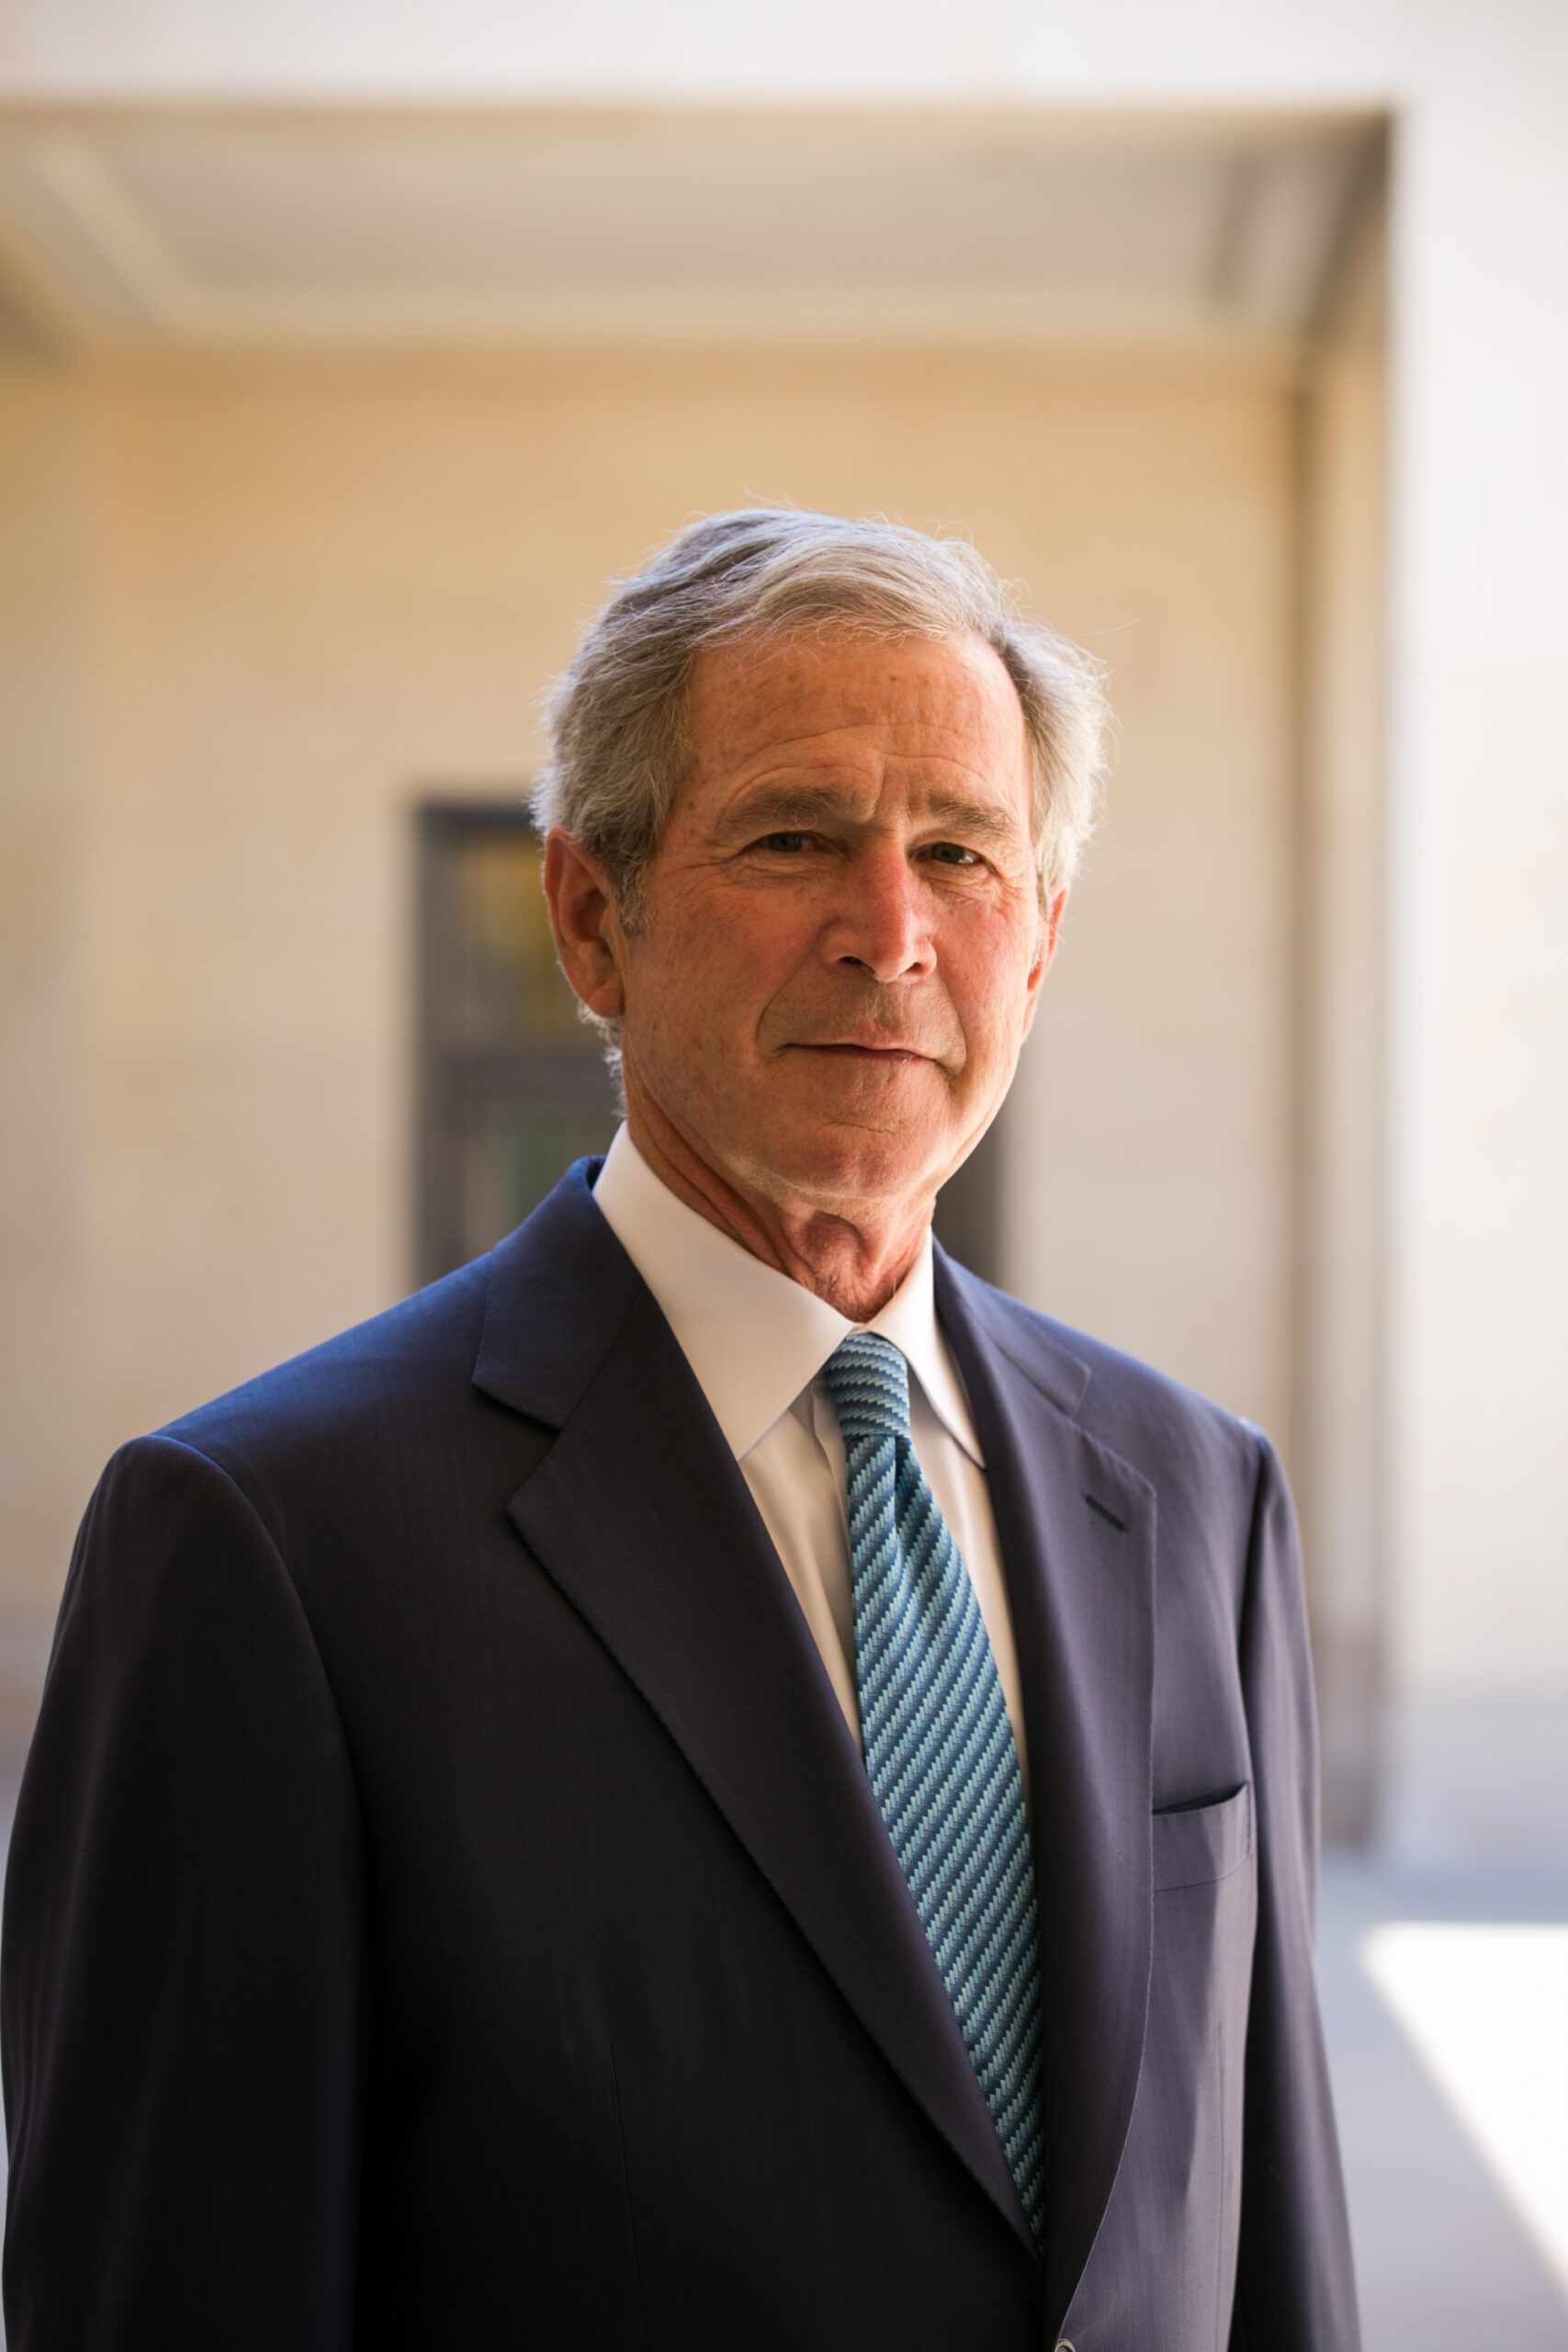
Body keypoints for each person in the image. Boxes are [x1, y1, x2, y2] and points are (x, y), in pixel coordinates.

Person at [1, 509, 1359, 2349]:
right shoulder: (265, 1546)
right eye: (795, 836)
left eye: (958, 853)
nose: (889, 932)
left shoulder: (1202, 1496)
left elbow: (1268, 2248)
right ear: (589, 913)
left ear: (1034, 942)